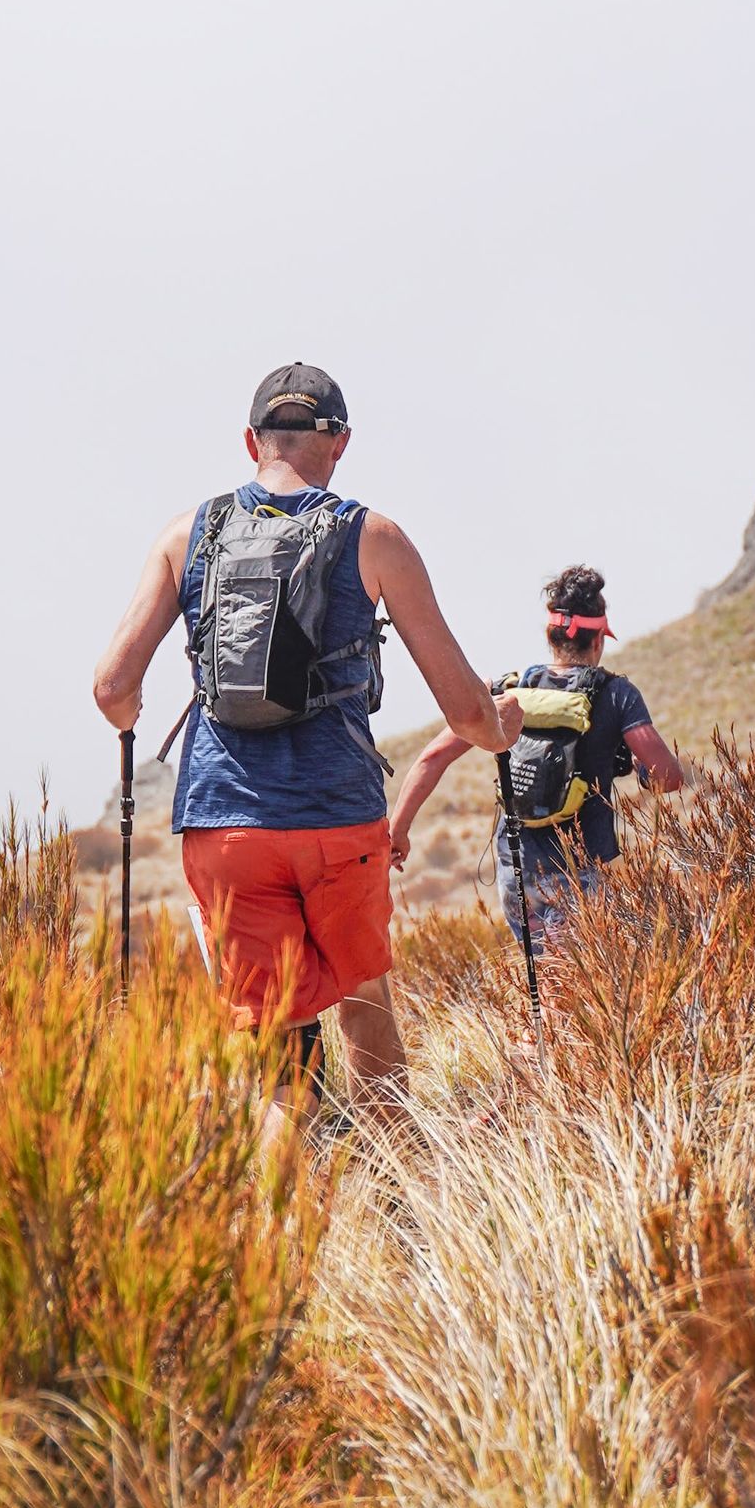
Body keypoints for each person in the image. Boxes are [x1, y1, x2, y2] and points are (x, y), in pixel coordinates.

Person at [91, 362, 521, 1113]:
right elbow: (463, 711)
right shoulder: (376, 538)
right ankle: (391, 1200)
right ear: (342, 443)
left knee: (277, 1039)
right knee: (365, 1004)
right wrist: (501, 727)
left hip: (224, 824)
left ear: (251, 441)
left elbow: (111, 687)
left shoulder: (185, 534)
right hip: (337, 818)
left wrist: (130, 727)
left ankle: (290, 1217)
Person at [388, 564, 684, 954]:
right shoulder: (617, 694)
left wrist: (399, 831)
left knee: (545, 984)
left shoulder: (507, 691)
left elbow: (432, 758)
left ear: (550, 635)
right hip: (581, 873)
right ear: (598, 642)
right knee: (582, 990)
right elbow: (669, 776)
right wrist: (646, 775)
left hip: (518, 873)